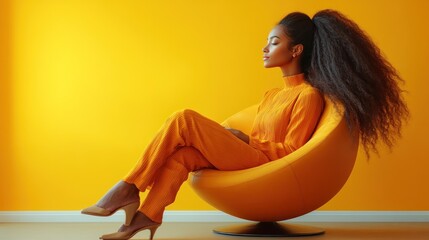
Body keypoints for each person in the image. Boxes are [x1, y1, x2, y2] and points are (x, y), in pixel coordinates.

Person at [81, 9, 409, 240]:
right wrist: (242, 139)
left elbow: (292, 151)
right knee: (183, 155)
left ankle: (128, 187)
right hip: (251, 157)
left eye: (274, 42)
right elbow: (260, 137)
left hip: (266, 163)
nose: (265, 48)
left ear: (296, 50)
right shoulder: (271, 95)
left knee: (184, 118)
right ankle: (146, 217)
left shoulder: (308, 96)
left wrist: (246, 142)